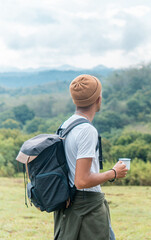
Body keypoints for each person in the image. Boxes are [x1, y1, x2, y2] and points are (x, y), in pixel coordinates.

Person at [54, 74, 128, 240]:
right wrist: (113, 173)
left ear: (75, 100)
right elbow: (82, 180)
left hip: (69, 205)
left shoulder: (65, 126)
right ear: (98, 99)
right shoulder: (87, 131)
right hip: (87, 207)